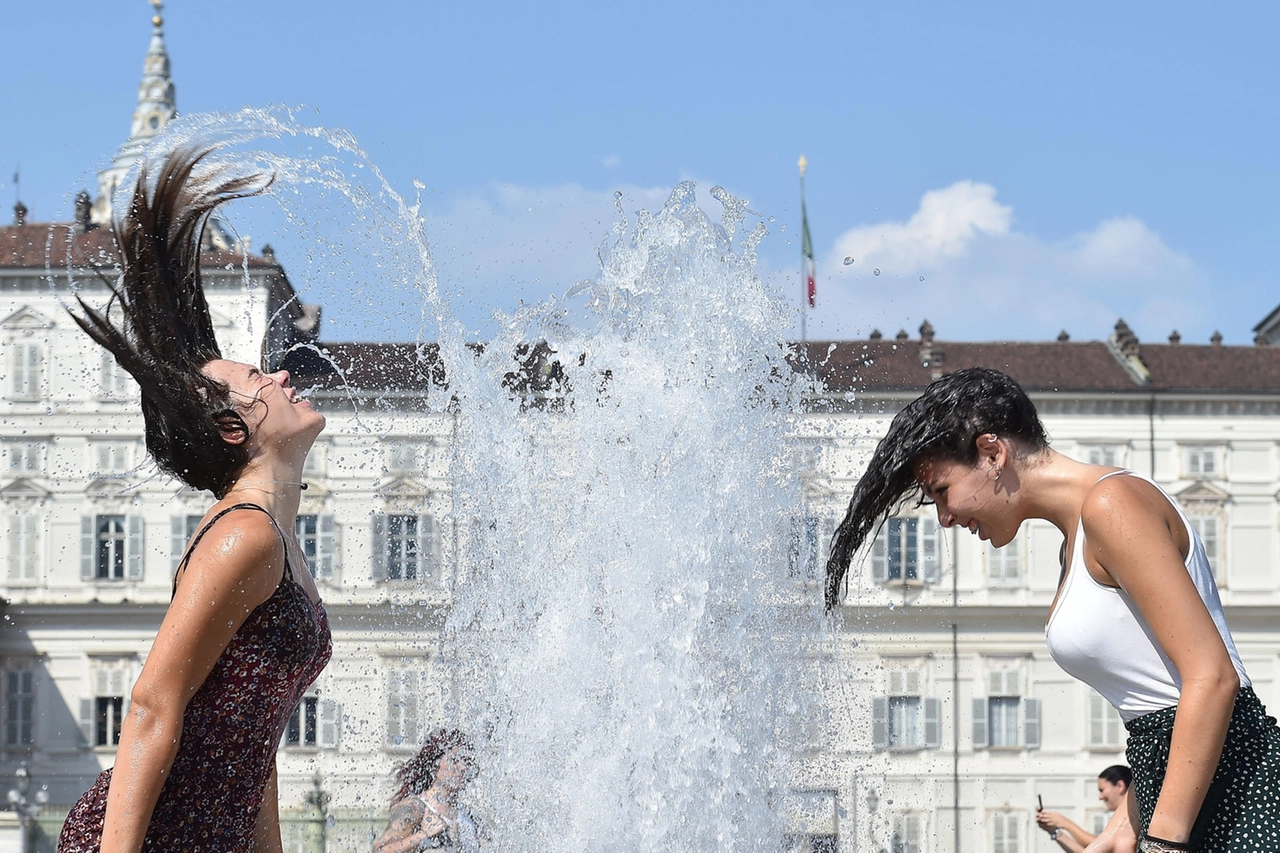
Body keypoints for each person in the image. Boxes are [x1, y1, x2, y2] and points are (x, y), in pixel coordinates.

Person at [825, 367, 1280, 853]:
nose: (944, 517)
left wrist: (1164, 842)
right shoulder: (1077, 540)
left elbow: (1212, 678)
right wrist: (1118, 831)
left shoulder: (1113, 503)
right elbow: (1157, 707)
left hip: (1236, 795)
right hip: (1188, 793)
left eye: (941, 491)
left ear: (992, 453)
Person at [57, 145, 331, 852]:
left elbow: (256, 737)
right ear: (235, 427)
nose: (278, 375)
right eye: (255, 376)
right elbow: (151, 702)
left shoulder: (278, 542)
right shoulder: (245, 535)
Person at [373, 728, 482, 853]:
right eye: (454, 760)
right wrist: (423, 835)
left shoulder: (466, 814)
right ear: (435, 765)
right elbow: (380, 850)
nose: (462, 767)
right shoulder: (415, 807)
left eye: (466, 761)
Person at [1037, 766, 1134, 852]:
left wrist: (1065, 823)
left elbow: (1105, 844)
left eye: (1102, 790)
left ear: (1120, 786)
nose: (1100, 797)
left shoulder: (1133, 817)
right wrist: (1055, 831)